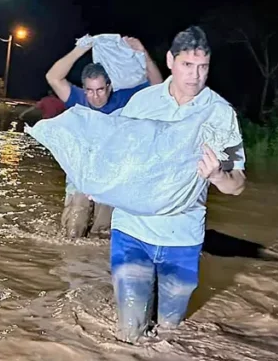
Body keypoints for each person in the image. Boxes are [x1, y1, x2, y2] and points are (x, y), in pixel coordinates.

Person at [109, 26, 246, 343]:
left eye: (203, 67)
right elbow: (113, 153)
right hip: (132, 231)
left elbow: (237, 184)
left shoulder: (220, 115)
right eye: (187, 65)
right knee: (129, 332)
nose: (195, 75)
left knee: (168, 337)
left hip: (183, 238)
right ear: (170, 61)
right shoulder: (142, 104)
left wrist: (218, 175)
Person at [46, 36, 164, 238]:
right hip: (80, 176)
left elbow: (158, 86)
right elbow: (53, 77)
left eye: (100, 89)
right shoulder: (78, 99)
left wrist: (143, 52)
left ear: (109, 86)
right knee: (72, 231)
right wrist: (81, 48)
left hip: (111, 177)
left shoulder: (125, 99)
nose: (96, 96)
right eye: (90, 90)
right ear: (84, 89)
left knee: (102, 235)